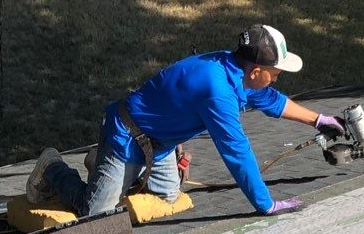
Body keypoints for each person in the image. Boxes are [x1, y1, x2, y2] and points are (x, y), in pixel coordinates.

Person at [25, 23, 345, 217]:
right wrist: (265, 204)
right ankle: (52, 167)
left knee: (165, 195)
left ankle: (100, 162)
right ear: (257, 71)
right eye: (275, 74)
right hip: (127, 135)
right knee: (91, 212)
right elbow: (236, 151)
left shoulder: (236, 72)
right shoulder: (217, 90)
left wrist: (318, 120)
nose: (275, 80)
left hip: (160, 144)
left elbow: (271, 101)